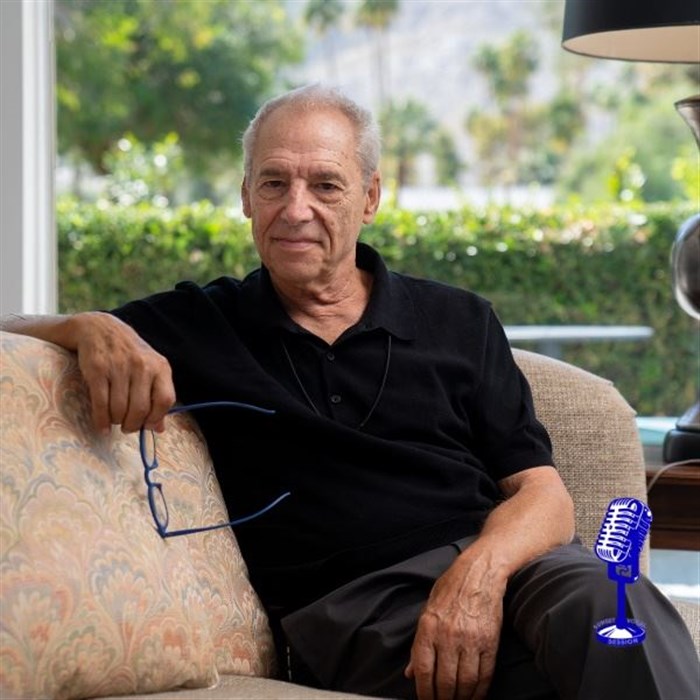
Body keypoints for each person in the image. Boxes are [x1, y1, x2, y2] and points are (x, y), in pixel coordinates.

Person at [2, 84, 698, 700]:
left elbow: (543, 494)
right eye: (273, 183)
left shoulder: (459, 319)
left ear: (370, 197)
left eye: (326, 186)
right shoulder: (202, 324)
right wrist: (86, 325)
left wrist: (477, 577)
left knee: (616, 607)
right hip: (358, 611)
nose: (295, 209)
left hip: (504, 567)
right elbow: (11, 326)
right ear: (245, 196)